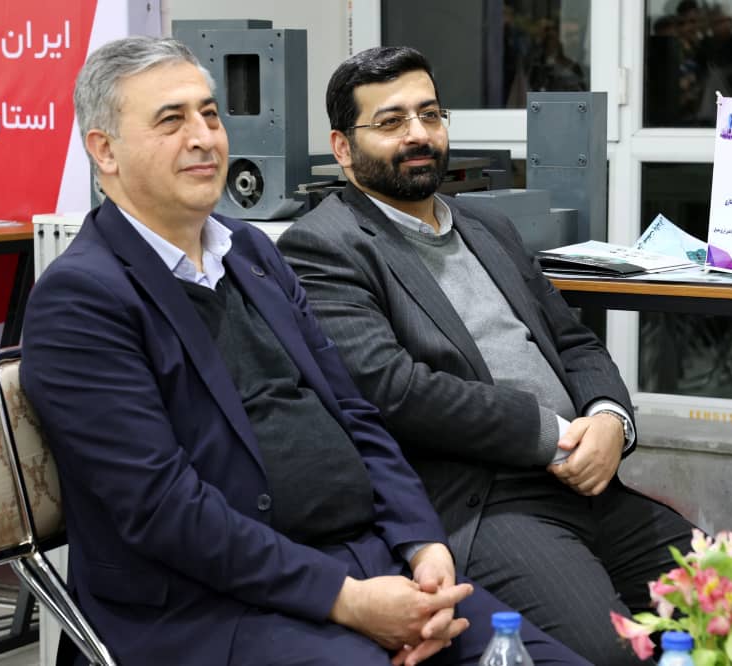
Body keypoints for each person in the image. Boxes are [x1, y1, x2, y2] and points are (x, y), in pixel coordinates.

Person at [20, 36, 590, 666]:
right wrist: (347, 601)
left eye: (209, 114)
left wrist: (424, 546)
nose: (204, 138)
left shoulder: (251, 253)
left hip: (366, 562)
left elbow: (354, 414)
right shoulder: (82, 299)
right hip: (210, 607)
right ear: (104, 150)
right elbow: (162, 509)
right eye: (171, 121)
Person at [277, 46, 696, 665]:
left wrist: (610, 418)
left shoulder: (487, 226)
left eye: (430, 114)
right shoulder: (323, 245)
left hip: (589, 485)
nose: (418, 134)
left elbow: (573, 341)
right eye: (391, 121)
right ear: (343, 148)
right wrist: (552, 436)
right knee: (608, 655)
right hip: (487, 503)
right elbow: (394, 388)